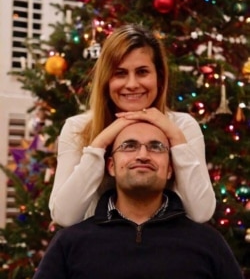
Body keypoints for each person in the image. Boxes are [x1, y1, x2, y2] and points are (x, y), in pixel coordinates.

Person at [18, 122, 250, 279]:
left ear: (170, 169)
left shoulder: (207, 242)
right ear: (110, 166)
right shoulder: (70, 242)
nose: (142, 155)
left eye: (156, 147)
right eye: (129, 146)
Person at [49, 23, 216, 227]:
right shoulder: (77, 127)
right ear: (106, 80)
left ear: (159, 78)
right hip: (100, 250)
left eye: (142, 72)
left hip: (165, 248)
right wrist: (100, 143)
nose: (132, 84)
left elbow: (201, 212)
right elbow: (64, 216)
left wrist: (176, 138)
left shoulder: (183, 126)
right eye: (120, 73)